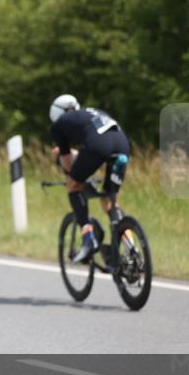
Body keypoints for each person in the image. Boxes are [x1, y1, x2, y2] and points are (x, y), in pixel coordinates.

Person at [49, 94, 131, 263]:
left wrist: (69, 173)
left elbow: (68, 166)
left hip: (98, 145)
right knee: (110, 201)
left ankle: (88, 239)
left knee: (73, 185)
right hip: (122, 144)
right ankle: (132, 248)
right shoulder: (91, 113)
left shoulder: (58, 126)